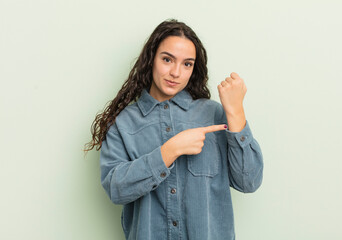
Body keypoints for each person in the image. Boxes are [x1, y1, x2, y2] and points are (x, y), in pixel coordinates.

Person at [84, 19, 263, 240]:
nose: (176, 72)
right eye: (167, 59)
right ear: (151, 60)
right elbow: (116, 189)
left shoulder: (214, 115)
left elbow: (249, 181)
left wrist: (235, 111)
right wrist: (169, 151)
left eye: (187, 64)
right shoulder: (124, 124)